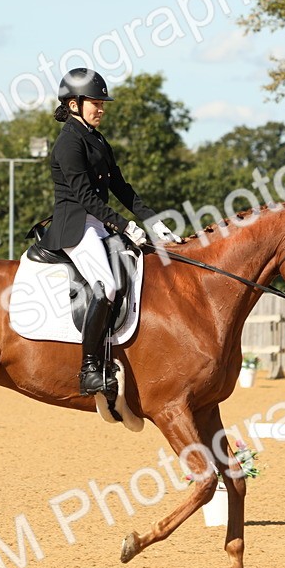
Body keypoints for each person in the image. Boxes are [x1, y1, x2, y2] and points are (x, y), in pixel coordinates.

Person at [40, 67, 182, 396]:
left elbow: (121, 186)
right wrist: (124, 225)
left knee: (144, 266)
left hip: (99, 222)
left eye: (103, 103)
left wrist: (152, 220)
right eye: (95, 102)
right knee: (107, 286)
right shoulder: (68, 143)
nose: (101, 108)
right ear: (73, 104)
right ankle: (90, 367)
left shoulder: (97, 139)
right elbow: (85, 198)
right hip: (76, 227)